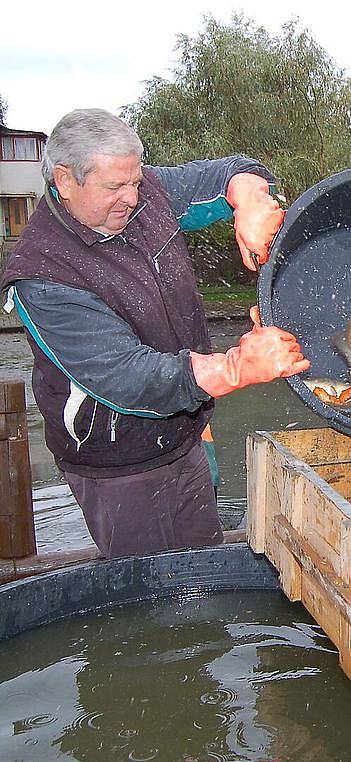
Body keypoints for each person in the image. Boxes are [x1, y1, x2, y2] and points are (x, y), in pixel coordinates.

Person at [0, 108, 310, 558]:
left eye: (135, 181)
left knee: (205, 569)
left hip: (185, 433)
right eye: (114, 187)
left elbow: (231, 171)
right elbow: (127, 380)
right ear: (65, 181)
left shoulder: (144, 192)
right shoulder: (42, 275)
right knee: (151, 591)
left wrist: (251, 199)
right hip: (116, 463)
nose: (132, 197)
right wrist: (238, 367)